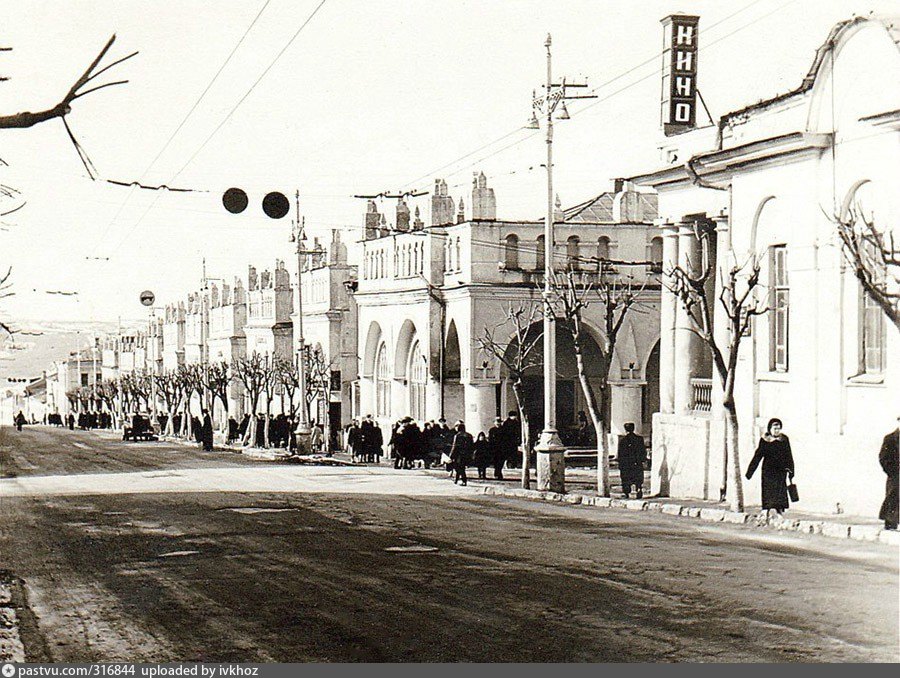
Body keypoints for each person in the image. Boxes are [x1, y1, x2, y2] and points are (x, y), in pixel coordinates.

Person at [746, 418, 795, 514]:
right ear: (770, 429)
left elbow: (789, 455)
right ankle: (766, 509)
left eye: (778, 428)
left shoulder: (784, 439)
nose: (777, 431)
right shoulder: (765, 440)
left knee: (780, 491)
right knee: (768, 490)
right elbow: (758, 456)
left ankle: (779, 510)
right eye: (775, 428)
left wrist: (791, 471)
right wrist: (750, 472)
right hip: (768, 470)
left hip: (781, 471)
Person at [617, 423, 647, 499]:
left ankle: (626, 493)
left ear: (625, 429)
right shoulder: (639, 439)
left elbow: (620, 453)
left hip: (626, 463)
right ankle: (638, 488)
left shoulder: (623, 440)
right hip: (636, 462)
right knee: (638, 477)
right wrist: (643, 459)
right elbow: (643, 450)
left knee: (626, 478)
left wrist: (620, 463)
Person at [878, 422, 899, 531]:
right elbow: (883, 458)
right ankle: (890, 526)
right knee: (893, 501)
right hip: (896, 478)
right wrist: (893, 472)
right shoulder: (890, 439)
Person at [449, 421, 474, 486]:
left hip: (459, 455)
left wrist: (451, 456)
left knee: (459, 468)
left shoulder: (457, 436)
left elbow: (454, 446)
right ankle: (456, 479)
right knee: (460, 467)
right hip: (467, 454)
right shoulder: (469, 435)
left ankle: (464, 481)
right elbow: (472, 446)